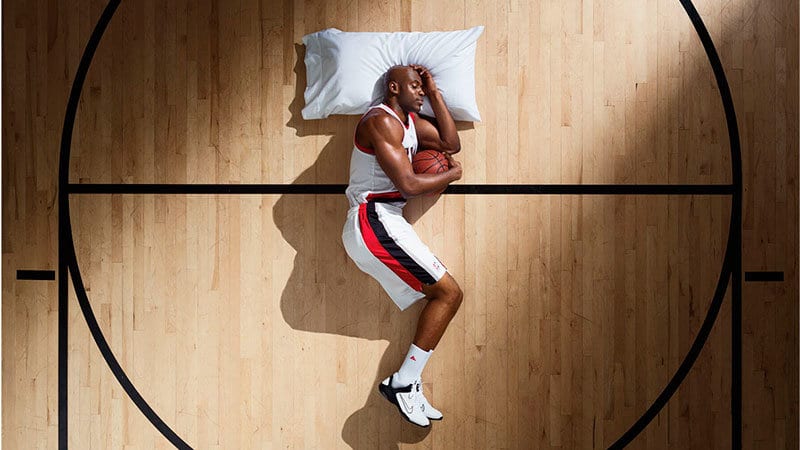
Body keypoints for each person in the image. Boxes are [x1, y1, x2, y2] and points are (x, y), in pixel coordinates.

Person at [341, 64, 464, 427]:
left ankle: (405, 381)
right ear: (394, 88)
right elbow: (408, 184)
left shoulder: (410, 123)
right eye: (415, 86)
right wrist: (451, 174)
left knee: (447, 295)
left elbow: (451, 144)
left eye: (423, 87)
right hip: (373, 219)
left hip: (387, 220)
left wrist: (435, 92)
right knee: (449, 294)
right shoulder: (380, 121)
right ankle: (403, 383)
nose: (420, 91)